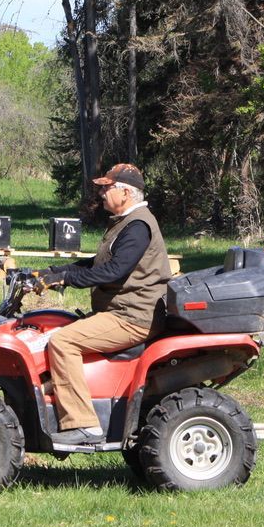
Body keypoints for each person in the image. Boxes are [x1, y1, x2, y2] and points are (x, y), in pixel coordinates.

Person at [34, 163, 171, 445]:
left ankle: (83, 425)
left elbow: (114, 271)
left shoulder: (138, 226)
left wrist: (68, 278)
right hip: (120, 311)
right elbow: (100, 263)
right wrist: (55, 272)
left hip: (132, 317)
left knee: (63, 341)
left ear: (126, 192)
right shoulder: (125, 222)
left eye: (107, 188)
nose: (101, 193)